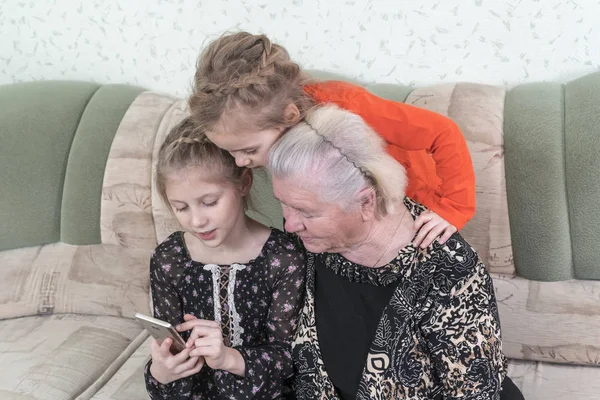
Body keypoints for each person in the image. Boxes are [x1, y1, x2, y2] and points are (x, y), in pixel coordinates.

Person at [267, 105, 524, 400]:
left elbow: (476, 393)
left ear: (365, 202)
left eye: (305, 212)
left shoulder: (448, 272)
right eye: (283, 204)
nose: (289, 224)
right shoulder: (313, 242)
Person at [188, 31, 476, 249]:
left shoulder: (349, 105)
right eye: (231, 152)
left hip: (412, 206)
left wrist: (453, 208)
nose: (241, 162)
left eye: (249, 151)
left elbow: (442, 131)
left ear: (290, 116)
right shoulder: (256, 133)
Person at [143, 117, 305, 399]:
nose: (196, 221)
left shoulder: (283, 258)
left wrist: (227, 358)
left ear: (243, 183)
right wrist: (162, 372)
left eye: (209, 202)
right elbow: (168, 352)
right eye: (180, 208)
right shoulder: (169, 259)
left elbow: (289, 358)